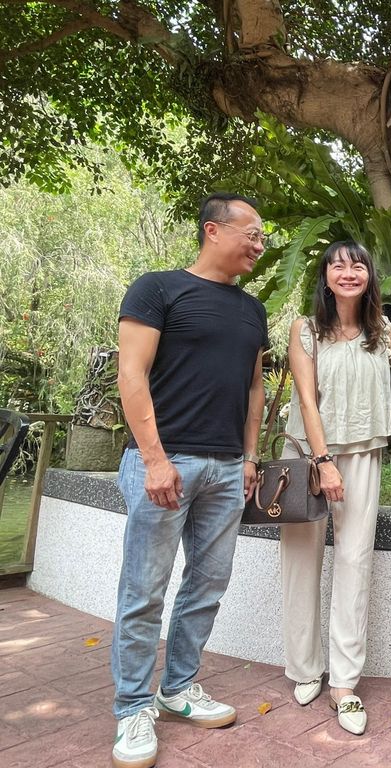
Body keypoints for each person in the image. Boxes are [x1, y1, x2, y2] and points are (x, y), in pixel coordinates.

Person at [111, 193, 268, 768]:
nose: (259, 243)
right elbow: (133, 373)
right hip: (165, 463)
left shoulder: (252, 310)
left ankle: (176, 689)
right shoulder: (156, 289)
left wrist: (249, 456)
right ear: (212, 230)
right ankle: (132, 707)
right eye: (251, 233)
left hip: (227, 469)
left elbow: (254, 388)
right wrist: (153, 459)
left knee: (207, 586)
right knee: (144, 592)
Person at [278, 240, 391, 736]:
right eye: (338, 264)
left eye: (357, 264)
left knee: (355, 562)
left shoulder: (381, 330)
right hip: (307, 454)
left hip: (363, 452)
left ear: (369, 276)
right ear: (324, 276)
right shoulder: (305, 330)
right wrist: (322, 461)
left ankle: (344, 682)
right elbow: (306, 398)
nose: (348, 271)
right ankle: (303, 668)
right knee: (301, 561)